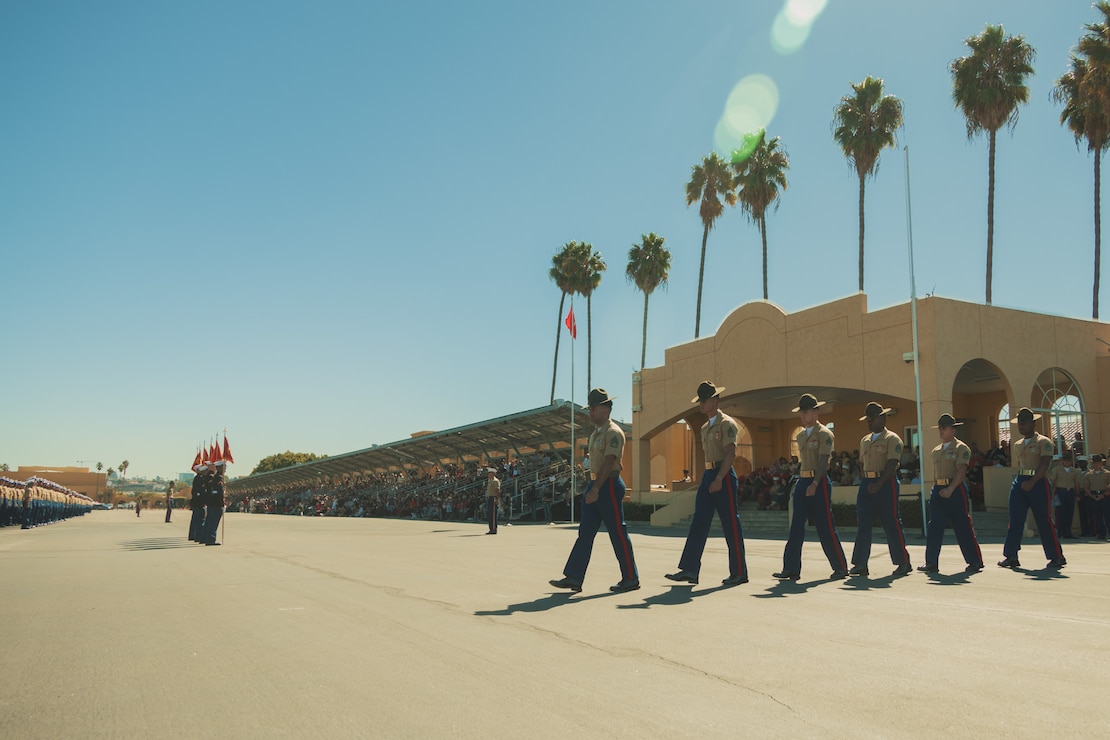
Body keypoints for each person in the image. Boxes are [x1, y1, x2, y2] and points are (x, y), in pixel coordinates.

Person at [549, 388, 640, 593]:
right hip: (596, 485)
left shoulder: (613, 432)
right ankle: (574, 577)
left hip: (608, 485)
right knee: (585, 533)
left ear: (605, 410)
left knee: (618, 533)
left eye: (594, 408)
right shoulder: (595, 434)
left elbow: (609, 462)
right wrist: (592, 487)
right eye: (590, 408)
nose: (590, 412)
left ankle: (631, 578)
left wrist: (596, 488)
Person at [665, 381, 749, 587]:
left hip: (723, 475)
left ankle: (739, 572)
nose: (701, 404)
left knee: (731, 524)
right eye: (700, 400)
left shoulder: (726, 423)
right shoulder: (704, 428)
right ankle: (690, 570)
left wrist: (719, 478)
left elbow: (730, 453)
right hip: (709, 474)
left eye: (705, 400)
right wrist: (711, 478)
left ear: (715, 401)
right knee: (699, 521)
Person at [773, 394, 849, 581]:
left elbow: (823, 462)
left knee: (825, 526)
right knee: (796, 526)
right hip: (803, 480)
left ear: (816, 412)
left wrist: (815, 483)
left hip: (819, 482)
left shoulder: (824, 434)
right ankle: (791, 568)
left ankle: (840, 567)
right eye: (801, 412)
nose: (803, 415)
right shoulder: (800, 436)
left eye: (806, 412)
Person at [998, 408, 1065, 568]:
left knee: (1044, 520)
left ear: (1033, 423)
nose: (1021, 426)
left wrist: (1033, 481)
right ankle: (1011, 555)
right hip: (1021, 480)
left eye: (1025, 423)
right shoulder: (1017, 444)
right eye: (1019, 423)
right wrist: (1021, 481)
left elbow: (1044, 464)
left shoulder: (1043, 442)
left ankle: (1056, 556)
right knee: (1015, 520)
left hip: (1038, 482)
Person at [850, 402, 911, 577]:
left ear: (883, 418)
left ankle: (903, 562)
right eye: (868, 419)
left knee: (891, 522)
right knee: (863, 524)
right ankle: (860, 564)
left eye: (872, 419)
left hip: (886, 483)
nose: (869, 422)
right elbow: (862, 463)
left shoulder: (892, 439)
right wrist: (866, 481)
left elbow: (892, 463)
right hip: (867, 482)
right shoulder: (865, 440)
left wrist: (879, 483)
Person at [918, 414, 984, 573]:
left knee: (962, 525)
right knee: (934, 526)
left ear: (953, 430)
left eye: (945, 428)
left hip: (955, 489)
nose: (942, 431)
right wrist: (938, 489)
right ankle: (931, 562)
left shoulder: (961, 448)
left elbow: (961, 470)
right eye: (940, 428)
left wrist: (950, 489)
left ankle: (975, 561)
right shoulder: (936, 451)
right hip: (939, 489)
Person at [1048, 451, 1081, 539]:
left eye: (1069, 460)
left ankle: (1067, 532)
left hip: (1070, 492)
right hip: (1060, 491)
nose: (1067, 462)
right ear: (1062, 460)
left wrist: (1077, 494)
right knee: (1060, 513)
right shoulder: (1057, 470)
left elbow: (1076, 483)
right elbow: (1052, 481)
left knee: (1069, 512)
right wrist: (1051, 493)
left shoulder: (1074, 471)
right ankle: (1058, 532)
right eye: (1065, 460)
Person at [1084, 454, 1110, 540]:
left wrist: (1104, 494)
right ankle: (1101, 533)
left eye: (1098, 463)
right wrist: (1092, 496)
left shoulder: (1107, 473)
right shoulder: (1088, 475)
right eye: (1094, 463)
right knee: (1097, 516)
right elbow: (1086, 487)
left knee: (1107, 515)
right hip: (1093, 496)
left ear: (1101, 463)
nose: (1096, 464)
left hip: (1105, 496)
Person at [188, 465, 209, 542]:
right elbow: (200, 492)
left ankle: (193, 535)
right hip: (199, 502)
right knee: (199, 520)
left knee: (195, 520)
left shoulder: (197, 478)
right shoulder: (200, 479)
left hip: (196, 502)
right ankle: (197, 536)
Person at [484, 468, 500, 535]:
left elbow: (497, 490)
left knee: (493, 515)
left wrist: (497, 499)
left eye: (489, 473)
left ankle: (493, 529)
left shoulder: (495, 481)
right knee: (490, 514)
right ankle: (491, 528)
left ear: (493, 474)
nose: (488, 475)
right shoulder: (490, 481)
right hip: (490, 498)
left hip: (493, 498)